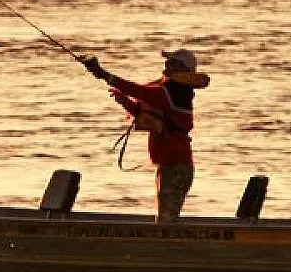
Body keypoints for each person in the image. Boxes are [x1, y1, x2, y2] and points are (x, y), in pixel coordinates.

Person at [80, 49, 209, 223]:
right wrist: (125, 102)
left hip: (175, 167)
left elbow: (139, 91)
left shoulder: (172, 93)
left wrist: (103, 74)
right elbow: (147, 111)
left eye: (172, 62)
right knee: (165, 219)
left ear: (182, 68)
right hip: (170, 166)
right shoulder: (172, 93)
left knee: (166, 222)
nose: (166, 64)